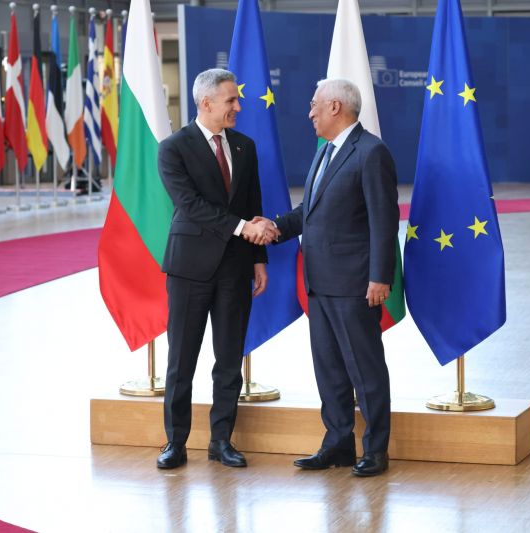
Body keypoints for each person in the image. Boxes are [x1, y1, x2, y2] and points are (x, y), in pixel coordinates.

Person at [259, 78, 399, 477]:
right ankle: (338, 444)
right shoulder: (326, 152)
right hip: (319, 283)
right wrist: (273, 227)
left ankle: (375, 450)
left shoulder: (370, 152)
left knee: (365, 370)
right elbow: (310, 210)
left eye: (315, 105)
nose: (310, 113)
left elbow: (384, 220)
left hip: (355, 284)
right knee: (330, 369)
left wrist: (379, 277)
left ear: (335, 107)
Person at [155, 68, 271, 469]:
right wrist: (242, 228)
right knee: (181, 360)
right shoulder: (173, 148)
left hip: (236, 267)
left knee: (229, 361)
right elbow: (190, 205)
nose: (238, 106)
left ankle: (221, 441)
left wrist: (258, 258)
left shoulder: (244, 146)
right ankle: (175, 442)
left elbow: (253, 201)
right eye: (230, 100)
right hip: (189, 268)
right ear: (206, 103)